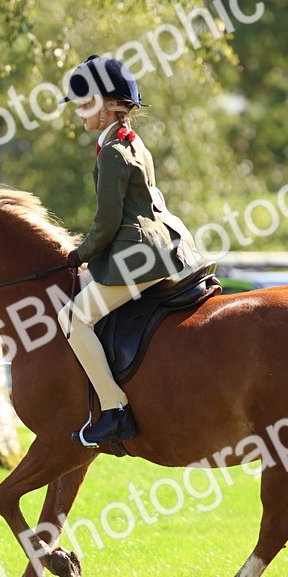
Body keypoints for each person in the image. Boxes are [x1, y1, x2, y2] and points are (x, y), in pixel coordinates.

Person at [56, 55, 196, 447]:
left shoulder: (113, 153)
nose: (80, 111)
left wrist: (80, 253)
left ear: (111, 106)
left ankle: (114, 408)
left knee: (74, 318)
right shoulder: (131, 143)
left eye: (86, 103)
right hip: (162, 246)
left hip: (138, 257)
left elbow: (106, 223)